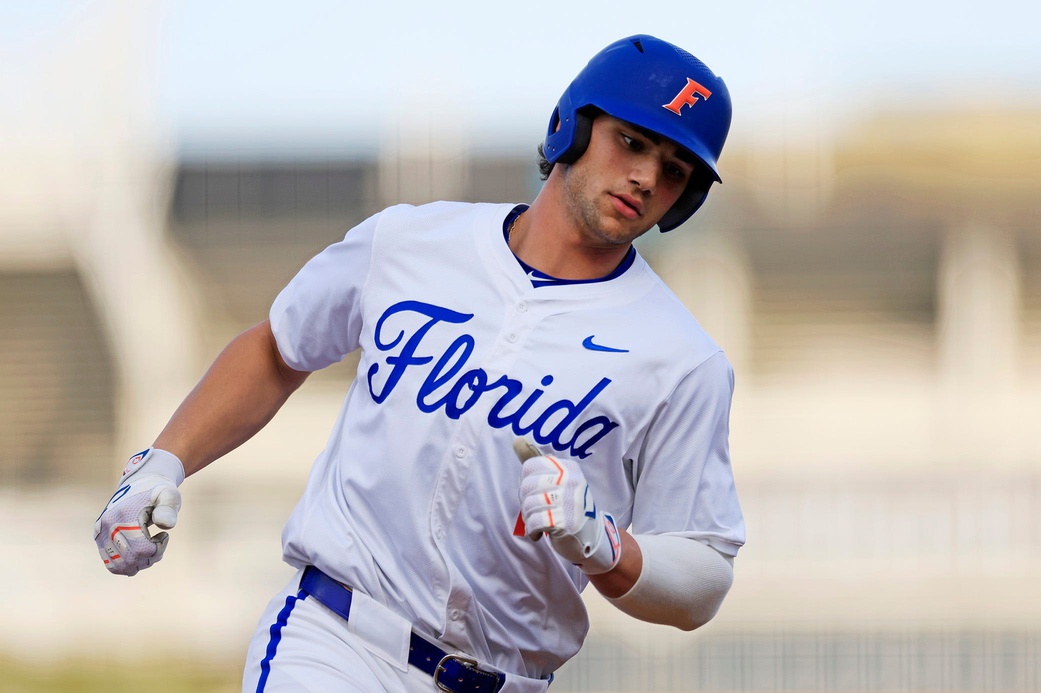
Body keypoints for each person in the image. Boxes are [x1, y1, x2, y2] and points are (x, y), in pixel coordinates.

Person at [93, 34, 745, 692]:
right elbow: (278, 347)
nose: (646, 178)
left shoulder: (682, 361)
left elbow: (704, 573)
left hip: (506, 676)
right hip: (336, 640)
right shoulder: (410, 240)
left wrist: (605, 544)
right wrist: (163, 462)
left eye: (674, 170)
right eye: (631, 141)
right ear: (572, 125)